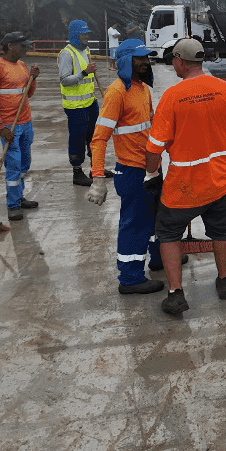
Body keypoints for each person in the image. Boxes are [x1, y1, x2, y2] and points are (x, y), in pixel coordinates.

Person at [144, 38, 226, 315]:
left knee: (168, 233)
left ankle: (176, 294)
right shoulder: (223, 88)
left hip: (185, 187)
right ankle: (224, 281)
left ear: (180, 61)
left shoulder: (172, 97)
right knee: (221, 230)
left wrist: (152, 175)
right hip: (222, 181)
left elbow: (154, 148)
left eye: (173, 60)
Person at [83, 39, 166, 296]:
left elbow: (152, 126)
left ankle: (159, 258)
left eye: (146, 58)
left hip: (151, 167)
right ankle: (130, 278)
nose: (145, 62)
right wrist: (98, 178)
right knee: (135, 225)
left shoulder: (142, 89)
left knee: (157, 218)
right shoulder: (117, 92)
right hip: (132, 171)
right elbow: (99, 138)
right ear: (125, 61)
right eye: (139, 58)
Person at [0, 31, 40, 222]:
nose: (26, 49)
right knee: (14, 165)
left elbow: (28, 94)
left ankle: (19, 195)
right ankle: (13, 204)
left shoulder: (22, 66)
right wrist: (0, 127)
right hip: (9, 125)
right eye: (22, 46)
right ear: (11, 46)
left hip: (25, 122)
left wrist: (33, 78)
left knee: (24, 163)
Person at [58, 19, 102, 187]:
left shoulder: (86, 50)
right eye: (83, 34)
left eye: (87, 34)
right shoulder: (66, 54)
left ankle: (95, 169)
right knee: (78, 139)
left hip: (90, 103)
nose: (86, 37)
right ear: (75, 35)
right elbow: (64, 80)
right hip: (76, 107)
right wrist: (84, 72)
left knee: (94, 137)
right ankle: (77, 172)